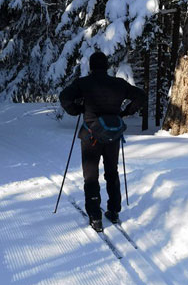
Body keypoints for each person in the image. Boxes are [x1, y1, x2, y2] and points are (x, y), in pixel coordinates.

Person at [59, 52, 146, 232]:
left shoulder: (83, 83)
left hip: (90, 135)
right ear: (106, 66)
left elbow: (64, 98)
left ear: (91, 66)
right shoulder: (119, 84)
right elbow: (141, 96)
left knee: (91, 176)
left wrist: (77, 110)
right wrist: (125, 112)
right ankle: (114, 211)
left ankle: (95, 216)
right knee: (112, 172)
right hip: (112, 134)